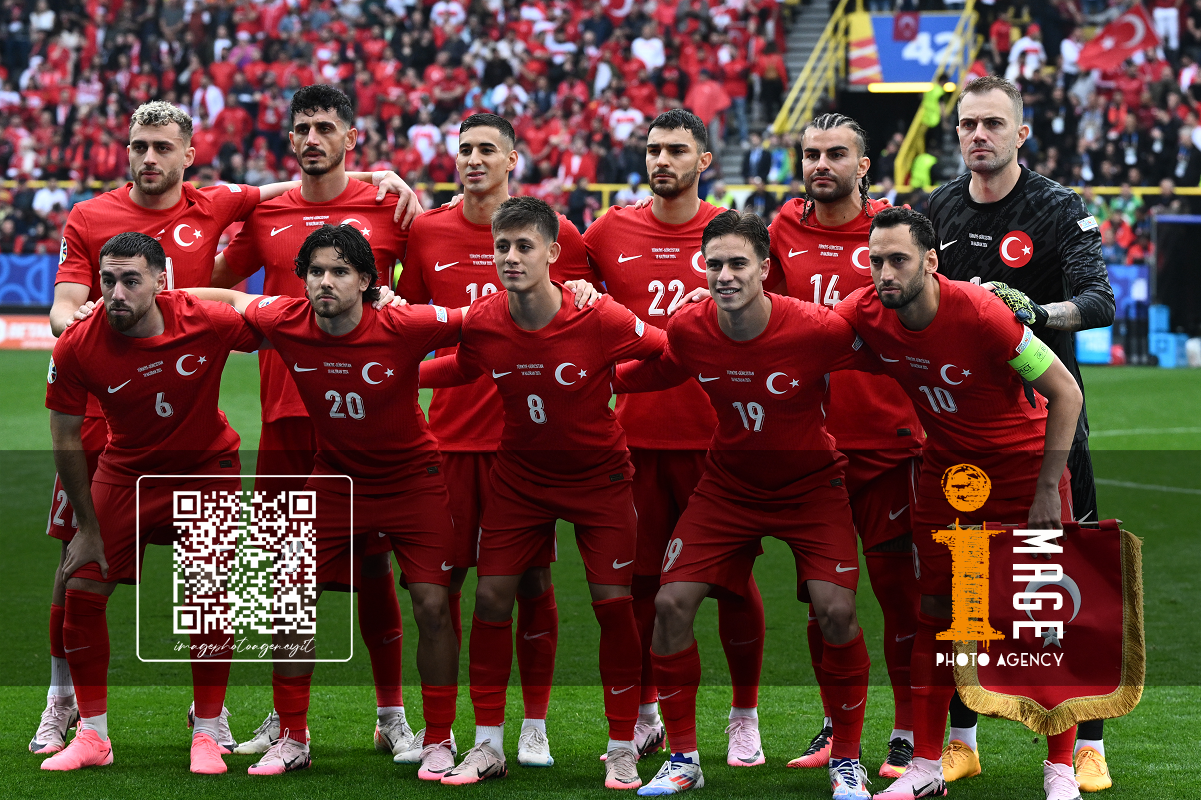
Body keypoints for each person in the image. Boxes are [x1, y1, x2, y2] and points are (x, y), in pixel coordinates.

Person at [31, 97, 418, 758]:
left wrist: (383, 179)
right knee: (84, 565)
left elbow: (411, 281)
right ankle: (67, 702)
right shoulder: (107, 215)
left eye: (163, 146)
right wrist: (99, 321)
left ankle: (372, 715)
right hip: (120, 419)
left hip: (336, 416)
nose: (149, 157)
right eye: (139, 145)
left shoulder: (363, 207)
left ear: (189, 155)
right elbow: (184, 289)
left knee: (361, 563)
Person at [614, 210, 876, 800]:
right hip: (728, 486)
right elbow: (661, 370)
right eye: (715, 265)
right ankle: (683, 759)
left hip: (811, 486)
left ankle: (847, 761)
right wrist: (590, 376)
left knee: (836, 611)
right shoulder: (689, 325)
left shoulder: (815, 327)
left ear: (764, 267)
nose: (725, 275)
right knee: (670, 603)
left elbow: (883, 352)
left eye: (738, 264)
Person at [188, 224, 465, 779]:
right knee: (287, 599)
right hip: (335, 480)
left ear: (365, 281)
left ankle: (438, 738)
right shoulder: (286, 320)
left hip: (412, 480)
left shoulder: (405, 323)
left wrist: (572, 294)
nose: (325, 281)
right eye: (315, 271)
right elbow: (233, 301)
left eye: (340, 271)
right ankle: (292, 736)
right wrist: (161, 294)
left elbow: (480, 321)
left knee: (433, 605)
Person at [834, 207, 1084, 800]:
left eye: (898, 260)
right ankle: (925, 766)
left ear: (930, 261)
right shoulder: (865, 310)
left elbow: (1065, 393)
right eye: (876, 260)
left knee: (1043, 621)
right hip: (950, 478)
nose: (885, 273)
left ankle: (1060, 769)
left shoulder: (981, 312)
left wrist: (1047, 489)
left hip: (1026, 473)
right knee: (938, 614)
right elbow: (802, 330)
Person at [418, 197, 665, 790]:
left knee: (614, 605)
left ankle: (623, 746)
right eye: (501, 246)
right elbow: (459, 368)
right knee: (491, 600)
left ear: (553, 253)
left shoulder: (598, 316)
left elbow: (662, 350)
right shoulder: (484, 319)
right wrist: (397, 375)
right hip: (520, 481)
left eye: (524, 246)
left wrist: (616, 379)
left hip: (599, 480)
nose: (510, 257)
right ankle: (487, 746)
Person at [208, 84, 424, 758]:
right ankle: (284, 720)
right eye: (302, 128)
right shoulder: (266, 213)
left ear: (351, 137)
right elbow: (213, 279)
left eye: (326, 127)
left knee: (373, 567)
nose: (311, 139)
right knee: (283, 575)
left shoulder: (390, 207)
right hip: (285, 414)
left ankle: (391, 715)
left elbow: (421, 293)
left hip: (368, 419)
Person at [927, 74, 1116, 793]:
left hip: (1049, 420)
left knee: (1067, 583)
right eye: (967, 124)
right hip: (965, 427)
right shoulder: (938, 207)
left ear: (1020, 134)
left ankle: (1088, 743)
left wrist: (1033, 313)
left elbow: (1098, 300)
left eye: (992, 124)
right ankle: (962, 739)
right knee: (965, 586)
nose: (978, 135)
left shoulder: (1056, 207)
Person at [394, 112, 598, 768]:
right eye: (465, 149)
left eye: (488, 148)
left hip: (526, 445)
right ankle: (441, 730)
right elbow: (410, 324)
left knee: (531, 585)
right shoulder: (427, 232)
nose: (474, 159)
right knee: (439, 592)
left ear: (513, 158)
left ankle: (532, 726)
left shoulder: (555, 230)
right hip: (449, 441)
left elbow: (588, 314)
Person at [582, 107, 768, 768]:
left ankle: (744, 717)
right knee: (640, 587)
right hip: (632, 440)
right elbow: (558, 274)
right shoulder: (608, 229)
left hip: (719, 441)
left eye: (677, 150)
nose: (662, 160)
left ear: (704, 160)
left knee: (732, 585)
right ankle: (645, 714)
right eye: (654, 149)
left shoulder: (731, 233)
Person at [41, 232, 261, 774]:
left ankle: (207, 731)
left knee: (209, 599)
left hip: (204, 468)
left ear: (161, 281)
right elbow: (65, 437)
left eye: (131, 280)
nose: (117, 292)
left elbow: (285, 326)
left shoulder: (203, 319)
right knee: (83, 584)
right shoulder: (77, 344)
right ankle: (92, 736)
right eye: (108, 280)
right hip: (126, 469)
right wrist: (87, 527)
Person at [770, 114, 923, 779]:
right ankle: (837, 725)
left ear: (863, 165)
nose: (821, 164)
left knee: (899, 597)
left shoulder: (895, 230)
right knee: (823, 600)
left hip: (888, 444)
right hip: (812, 450)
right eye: (811, 154)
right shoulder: (781, 230)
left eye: (836, 154)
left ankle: (906, 732)